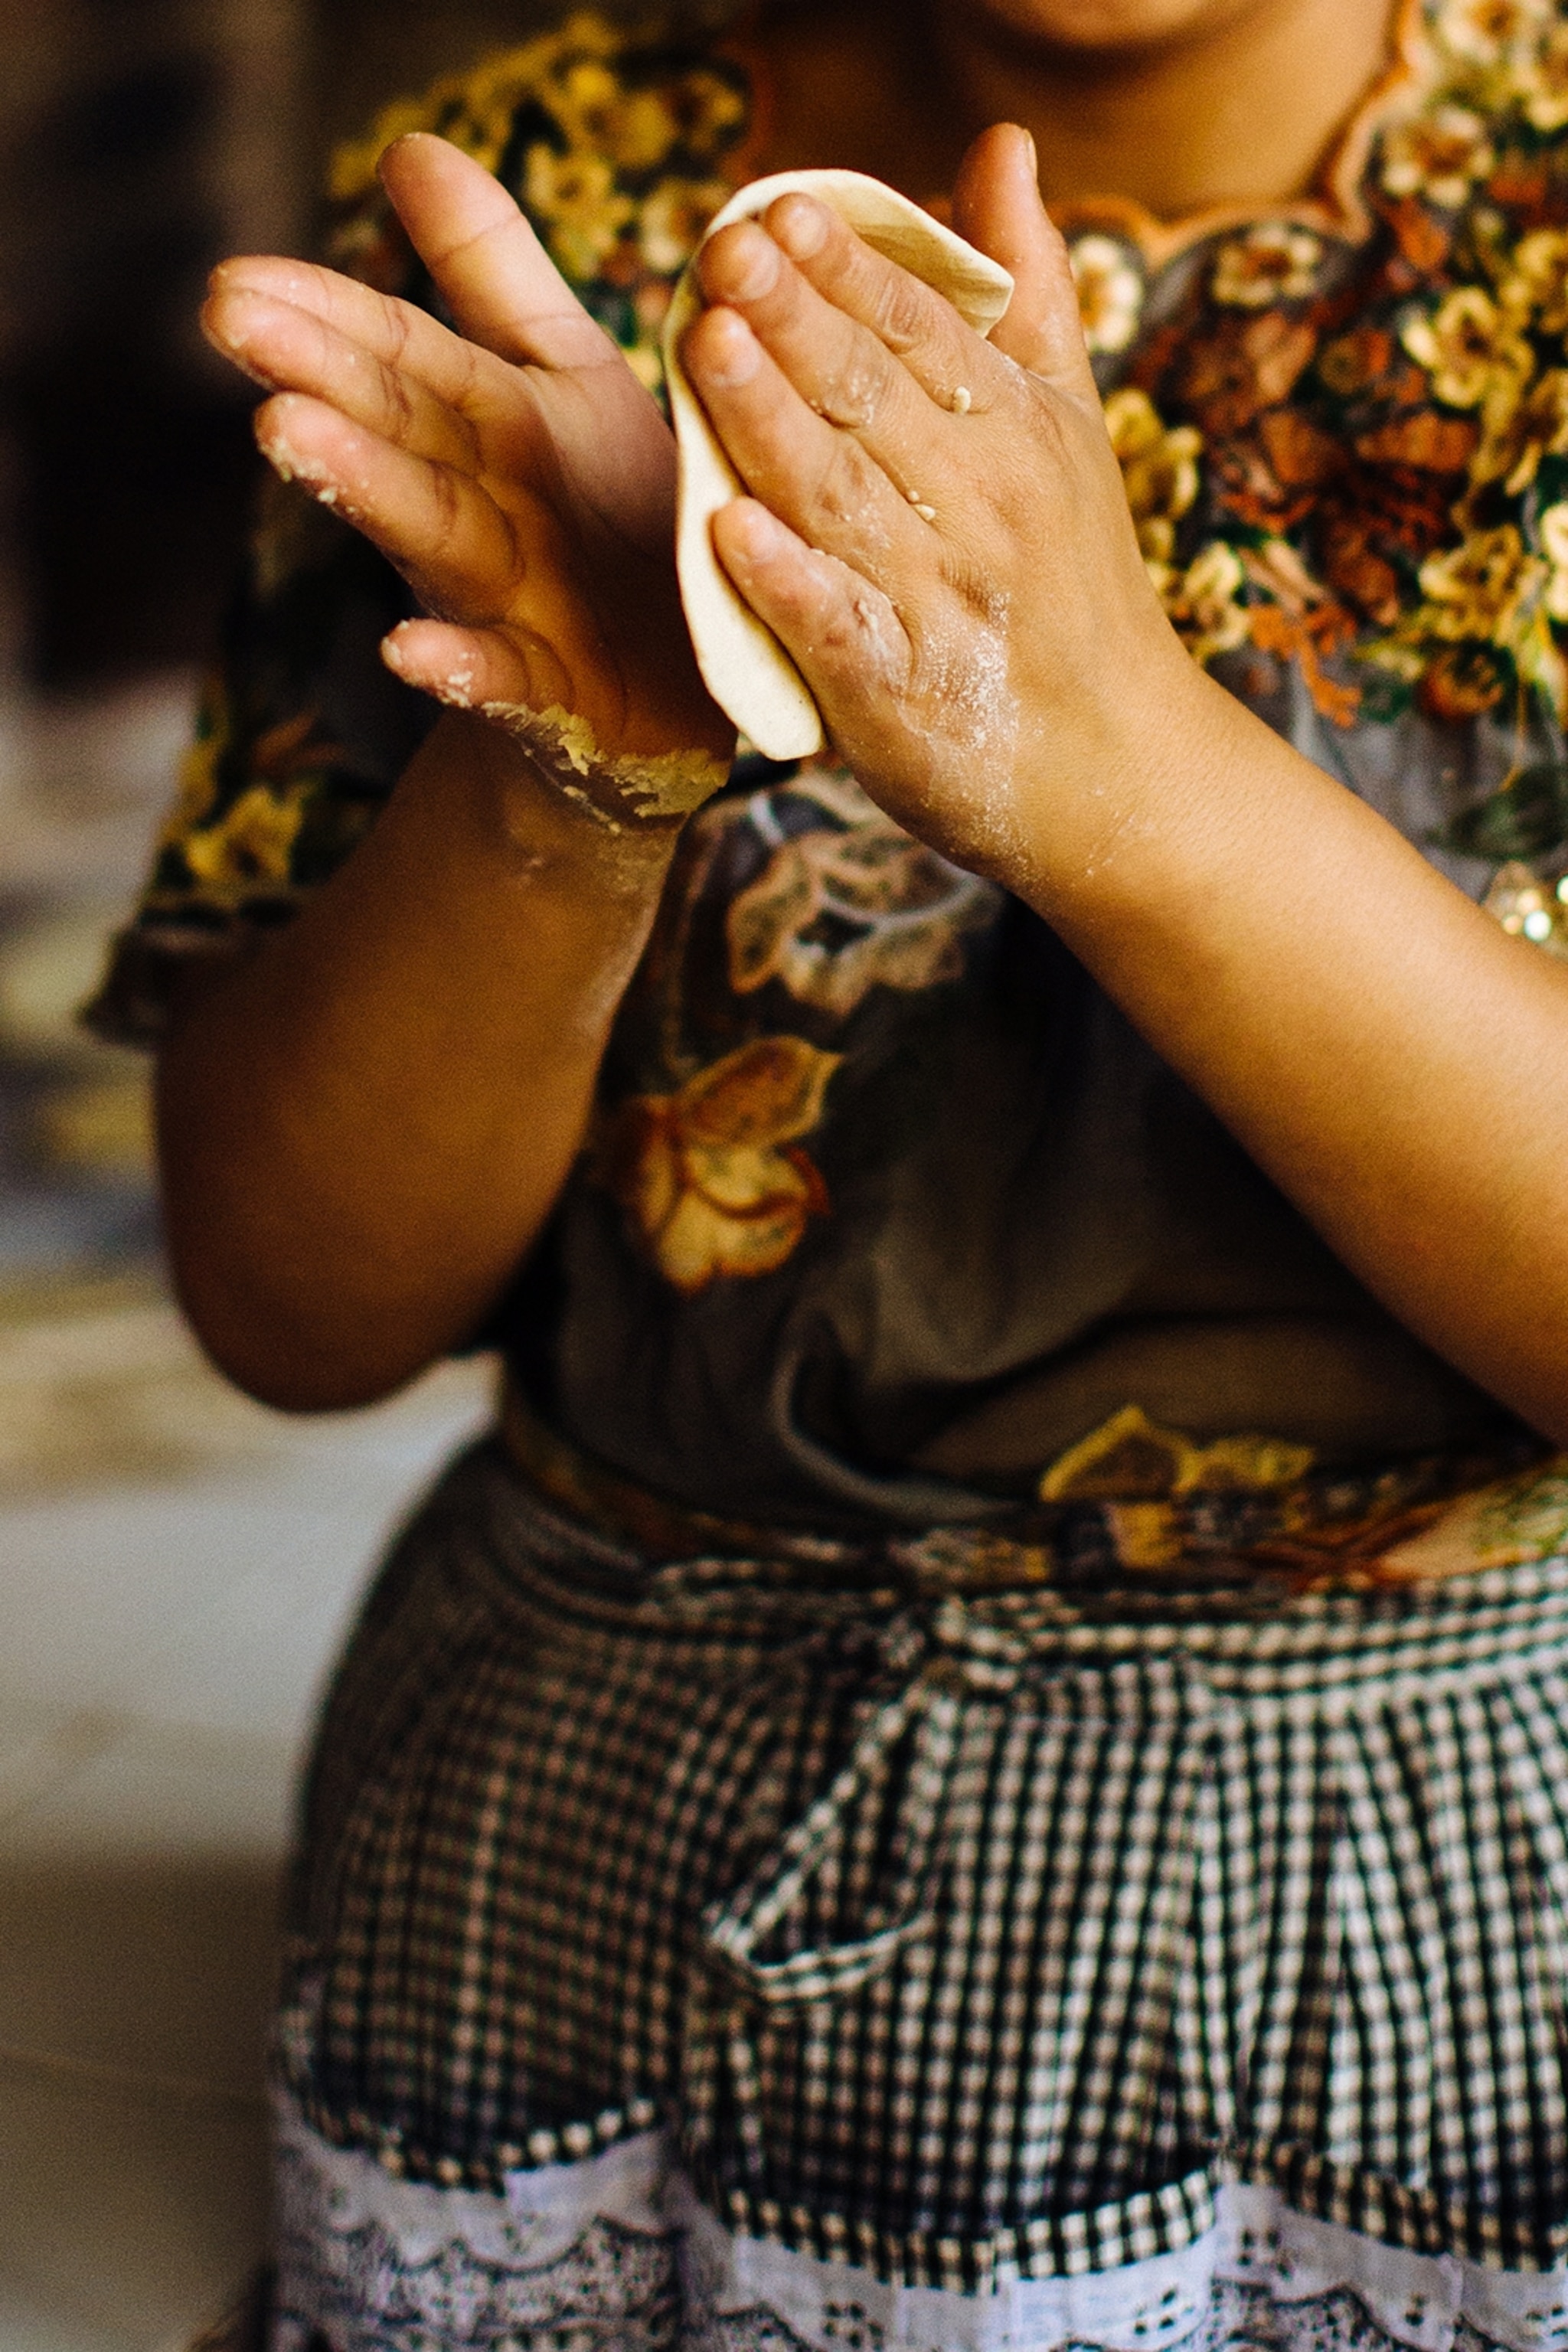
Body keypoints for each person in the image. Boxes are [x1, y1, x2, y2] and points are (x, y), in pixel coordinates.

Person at [88, 0, 1568, 2344]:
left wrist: (1113, 761)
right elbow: (293, 1307)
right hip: (582, 1863)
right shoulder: (526, 202)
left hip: (1424, 1919)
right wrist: (568, 780)